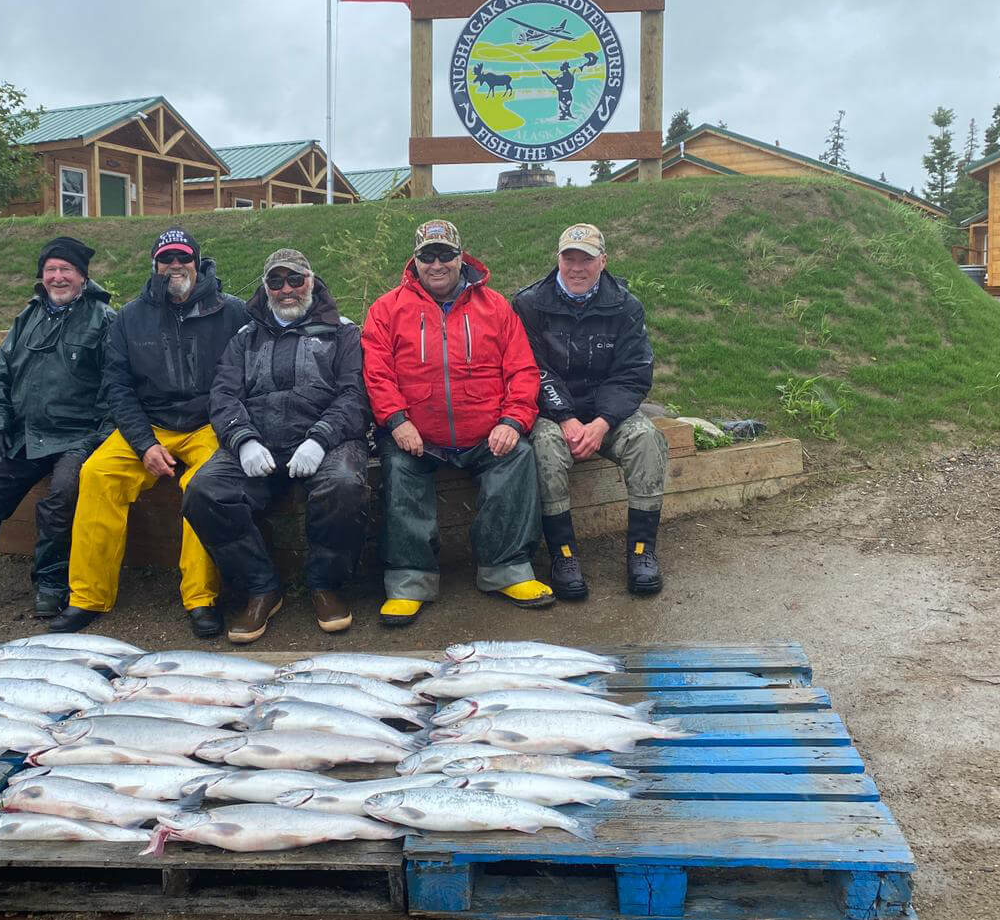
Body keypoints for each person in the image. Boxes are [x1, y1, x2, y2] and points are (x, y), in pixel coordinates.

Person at [54, 229, 249, 636]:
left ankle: (200, 598)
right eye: (166, 259)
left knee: (204, 487)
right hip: (149, 424)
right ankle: (88, 596)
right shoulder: (129, 317)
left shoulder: (233, 312)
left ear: (198, 261)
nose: (175, 266)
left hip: (210, 424)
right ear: (155, 265)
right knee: (96, 475)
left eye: (183, 258)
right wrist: (144, 444)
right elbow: (118, 387)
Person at [361, 219, 553, 626]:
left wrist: (513, 420)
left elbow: (522, 370)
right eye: (427, 255)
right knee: (398, 466)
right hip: (416, 434)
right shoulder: (386, 309)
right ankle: (410, 580)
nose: (437, 264)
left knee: (517, 456)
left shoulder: (496, 306)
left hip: (485, 431)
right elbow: (376, 373)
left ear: (461, 256)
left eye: (445, 254)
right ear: (414, 261)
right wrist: (396, 421)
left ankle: (506, 569)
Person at [0, 236, 115, 627]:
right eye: (51, 270)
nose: (58, 277)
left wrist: (96, 438)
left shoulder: (105, 319)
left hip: (76, 438)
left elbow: (116, 388)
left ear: (82, 276)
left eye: (67, 270)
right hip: (24, 436)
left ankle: (52, 583)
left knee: (64, 495)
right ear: (42, 277)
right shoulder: (26, 318)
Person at [183, 249, 370, 644]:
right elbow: (224, 395)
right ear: (266, 288)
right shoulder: (244, 338)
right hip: (260, 442)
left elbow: (354, 395)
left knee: (344, 485)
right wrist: (243, 440)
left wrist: (320, 439)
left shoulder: (344, 332)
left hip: (326, 440)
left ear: (312, 281)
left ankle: (326, 585)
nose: (286, 289)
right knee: (204, 492)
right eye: (275, 282)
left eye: (295, 280)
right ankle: (260, 587)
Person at [513, 223, 670, 599]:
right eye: (570, 258)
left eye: (586, 259)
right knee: (546, 450)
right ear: (558, 259)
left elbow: (634, 373)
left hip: (607, 413)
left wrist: (601, 423)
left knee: (648, 439)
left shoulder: (626, 306)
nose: (577, 267)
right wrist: (565, 417)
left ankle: (641, 551)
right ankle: (563, 555)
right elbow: (531, 368)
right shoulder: (528, 304)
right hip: (552, 412)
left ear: (603, 261)